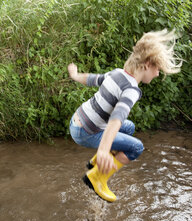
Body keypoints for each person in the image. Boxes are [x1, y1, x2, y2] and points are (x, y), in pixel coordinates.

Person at [68, 29, 182, 202]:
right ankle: (97, 177)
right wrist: (104, 151)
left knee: (129, 127)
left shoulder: (117, 73)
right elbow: (116, 118)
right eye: (157, 68)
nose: (158, 74)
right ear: (147, 64)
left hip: (76, 121)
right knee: (136, 148)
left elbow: (92, 79)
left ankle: (94, 163)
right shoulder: (131, 90)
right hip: (85, 132)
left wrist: (75, 76)